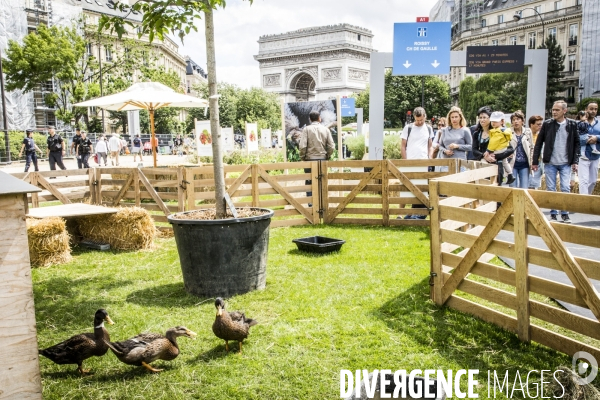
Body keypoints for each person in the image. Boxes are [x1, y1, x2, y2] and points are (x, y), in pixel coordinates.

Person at [532, 100, 580, 223]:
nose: (554, 112)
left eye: (557, 110)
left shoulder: (572, 125)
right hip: (550, 162)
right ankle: (553, 213)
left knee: (565, 188)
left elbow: (577, 144)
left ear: (565, 111)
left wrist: (575, 161)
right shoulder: (547, 125)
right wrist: (535, 161)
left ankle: (564, 213)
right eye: (553, 110)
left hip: (565, 162)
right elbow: (538, 144)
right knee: (551, 188)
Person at [400, 107, 432, 219]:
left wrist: (430, 159)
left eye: (421, 120)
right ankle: (400, 212)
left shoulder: (428, 128)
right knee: (405, 187)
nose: (419, 122)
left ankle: (415, 213)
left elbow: (430, 145)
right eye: (417, 120)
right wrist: (405, 162)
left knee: (420, 189)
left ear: (425, 117)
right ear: (414, 117)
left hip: (423, 162)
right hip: (409, 161)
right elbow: (403, 146)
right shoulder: (408, 128)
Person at [299, 110, 335, 206]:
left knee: (309, 182)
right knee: (322, 182)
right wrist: (327, 155)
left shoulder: (306, 129)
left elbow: (302, 146)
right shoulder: (326, 130)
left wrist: (303, 157)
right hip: (322, 160)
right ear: (319, 118)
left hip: (310, 160)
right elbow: (331, 146)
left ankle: (311, 205)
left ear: (310, 119)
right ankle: (322, 204)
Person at [484, 112, 515, 185]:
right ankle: (510, 174)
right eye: (492, 121)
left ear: (502, 121)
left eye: (496, 121)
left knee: (491, 159)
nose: (493, 123)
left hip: (498, 150)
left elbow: (493, 142)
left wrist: (488, 151)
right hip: (503, 148)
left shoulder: (498, 131)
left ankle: (502, 177)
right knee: (505, 162)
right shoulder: (505, 130)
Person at [577, 102, 600, 195]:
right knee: (584, 181)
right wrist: (585, 140)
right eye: (591, 109)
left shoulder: (599, 123)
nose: (593, 111)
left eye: (595, 109)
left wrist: (596, 138)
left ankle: (587, 199)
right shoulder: (580, 123)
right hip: (582, 155)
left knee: (593, 181)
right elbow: (575, 137)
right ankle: (584, 203)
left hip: (596, 155)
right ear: (586, 109)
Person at [508, 110, 533, 189]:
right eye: (514, 120)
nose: (516, 122)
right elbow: (504, 146)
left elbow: (532, 147)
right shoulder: (508, 132)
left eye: (518, 119)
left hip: (524, 164)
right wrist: (507, 153)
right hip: (512, 164)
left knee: (524, 188)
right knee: (513, 188)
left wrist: (532, 161)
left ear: (522, 121)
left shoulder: (528, 132)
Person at [528, 115, 545, 189]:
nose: (540, 126)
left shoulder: (541, 136)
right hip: (527, 164)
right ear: (531, 125)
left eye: (541, 124)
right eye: (538, 124)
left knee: (534, 187)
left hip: (538, 164)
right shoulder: (526, 135)